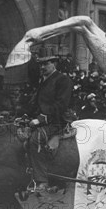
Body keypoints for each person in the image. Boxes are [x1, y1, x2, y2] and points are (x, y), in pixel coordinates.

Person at [28, 54, 73, 192]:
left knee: (35, 140)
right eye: (41, 64)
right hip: (42, 119)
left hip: (57, 121)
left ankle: (42, 181)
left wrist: (41, 119)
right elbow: (37, 103)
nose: (42, 67)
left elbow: (61, 104)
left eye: (46, 64)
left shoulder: (63, 80)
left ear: (54, 64)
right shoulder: (44, 80)